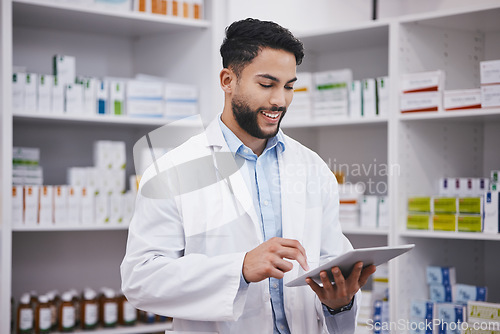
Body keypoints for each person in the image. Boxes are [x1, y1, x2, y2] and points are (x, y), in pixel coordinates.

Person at [121, 18, 376, 334]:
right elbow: (141, 280)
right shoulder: (172, 171)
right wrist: (239, 268)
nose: (279, 101)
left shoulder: (312, 167)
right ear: (228, 80)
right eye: (267, 84)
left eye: (289, 86)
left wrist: (339, 301)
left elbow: (329, 260)